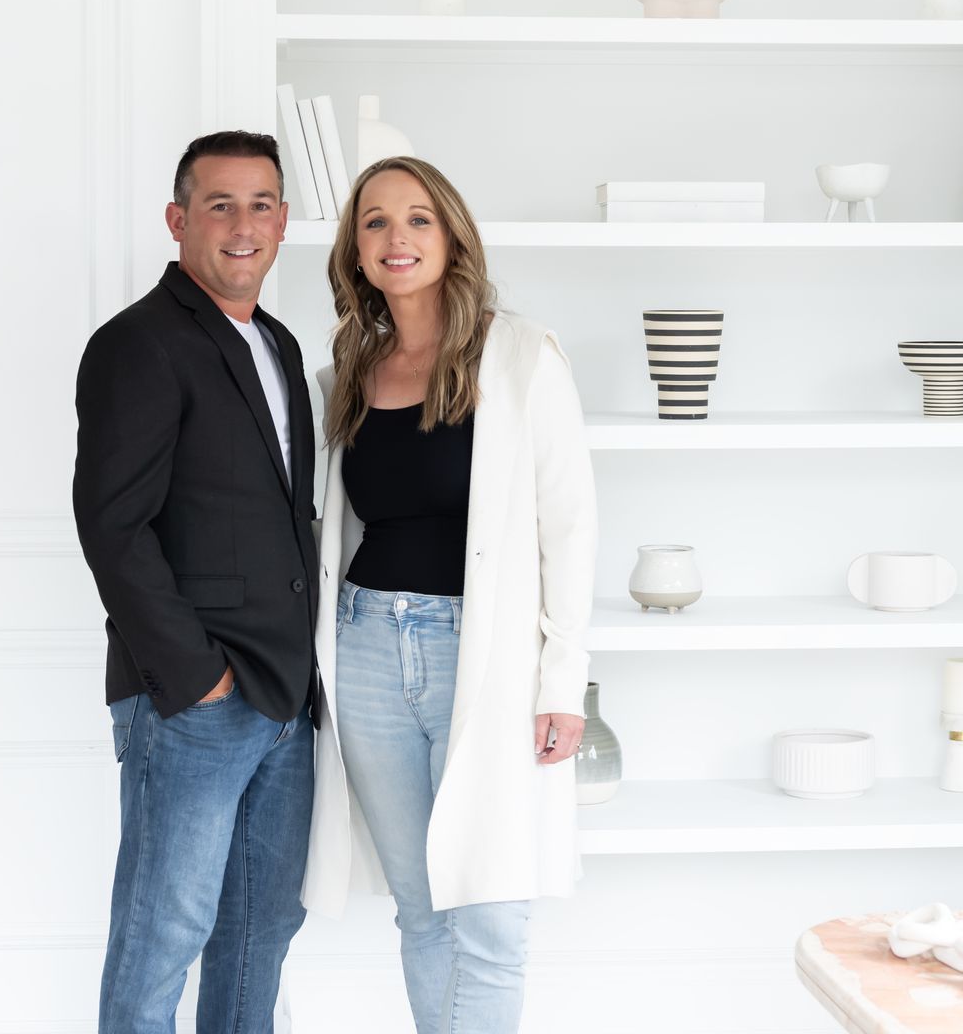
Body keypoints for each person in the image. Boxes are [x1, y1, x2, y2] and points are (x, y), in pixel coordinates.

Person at [301, 155, 598, 1033]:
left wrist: (562, 682)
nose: (398, 238)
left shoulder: (520, 356)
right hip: (364, 653)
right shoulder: (347, 375)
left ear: (452, 234)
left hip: (486, 655)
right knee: (423, 908)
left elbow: (570, 527)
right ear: (355, 251)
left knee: (494, 914)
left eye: (419, 218)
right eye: (376, 221)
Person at [73, 130, 319, 1034]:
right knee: (162, 934)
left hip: (287, 699)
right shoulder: (138, 344)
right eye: (219, 204)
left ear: (285, 223)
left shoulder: (281, 345)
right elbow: (113, 526)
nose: (242, 224)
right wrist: (198, 679)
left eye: (260, 205)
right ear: (179, 220)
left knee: (260, 931)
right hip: (194, 701)